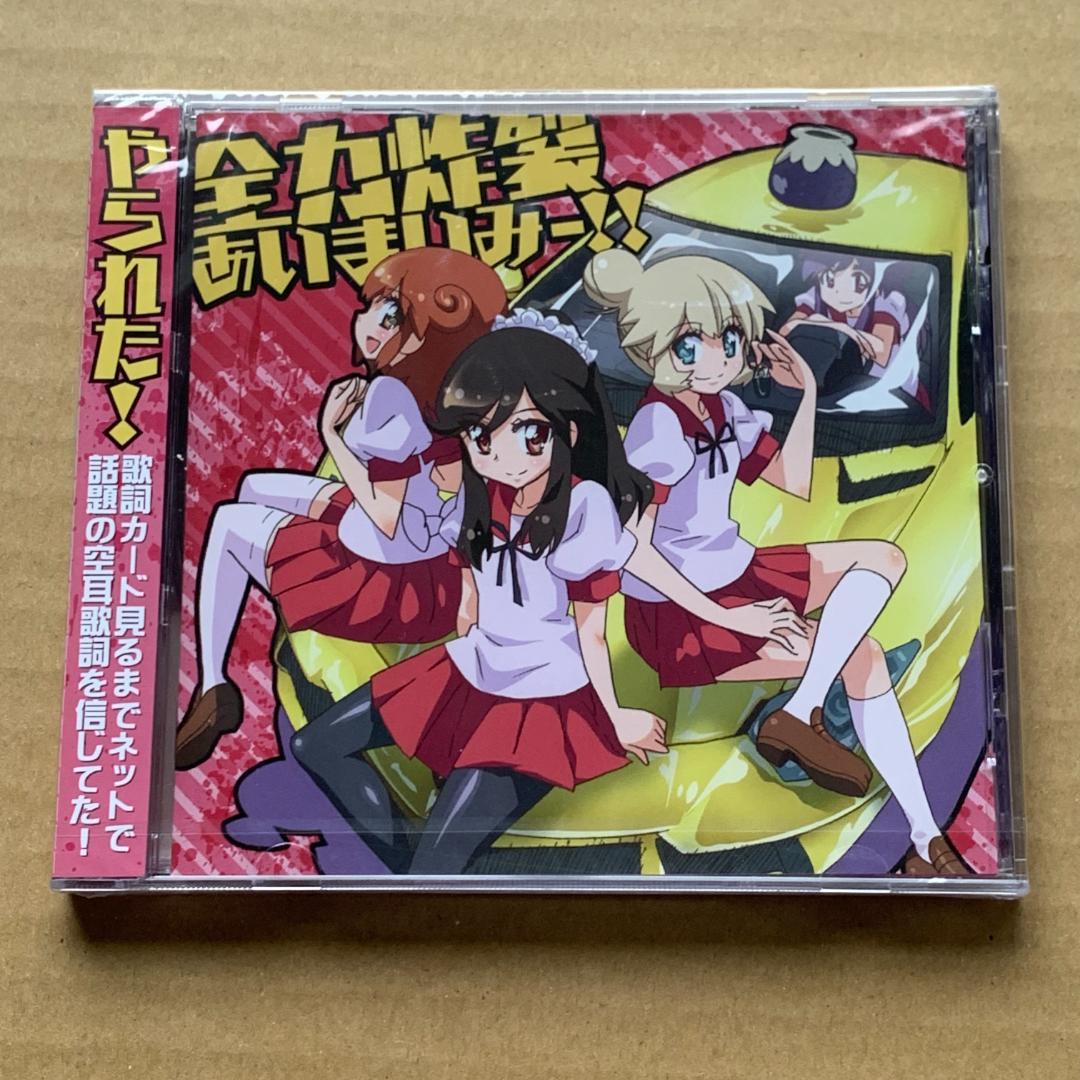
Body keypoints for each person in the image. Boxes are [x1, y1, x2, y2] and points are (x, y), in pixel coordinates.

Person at [584, 249, 969, 876]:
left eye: (731, 340)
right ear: (653, 347)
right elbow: (636, 554)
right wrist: (735, 620)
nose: (718, 358)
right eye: (692, 345)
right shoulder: (657, 429)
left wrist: (807, 391)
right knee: (866, 657)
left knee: (882, 558)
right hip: (678, 616)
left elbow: (792, 480)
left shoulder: (723, 409)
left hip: (735, 571)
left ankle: (798, 711)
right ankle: (926, 841)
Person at [291, 314, 666, 873]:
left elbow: (592, 629)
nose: (498, 454)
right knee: (316, 746)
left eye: (527, 432)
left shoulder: (583, 506)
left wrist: (614, 716)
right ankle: (409, 876)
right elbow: (466, 591)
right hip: (472, 667)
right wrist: (333, 437)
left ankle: (418, 881)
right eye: (480, 436)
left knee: (435, 865)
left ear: (567, 432)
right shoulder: (481, 494)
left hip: (543, 698)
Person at [175, 247, 507, 769]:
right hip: (427, 554)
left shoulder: (390, 396)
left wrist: (331, 432)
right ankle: (219, 678)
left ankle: (214, 686)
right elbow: (436, 483)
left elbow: (385, 516)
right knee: (255, 487)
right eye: (373, 307)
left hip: (388, 583)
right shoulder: (443, 391)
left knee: (231, 524)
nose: (368, 322)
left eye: (393, 315)